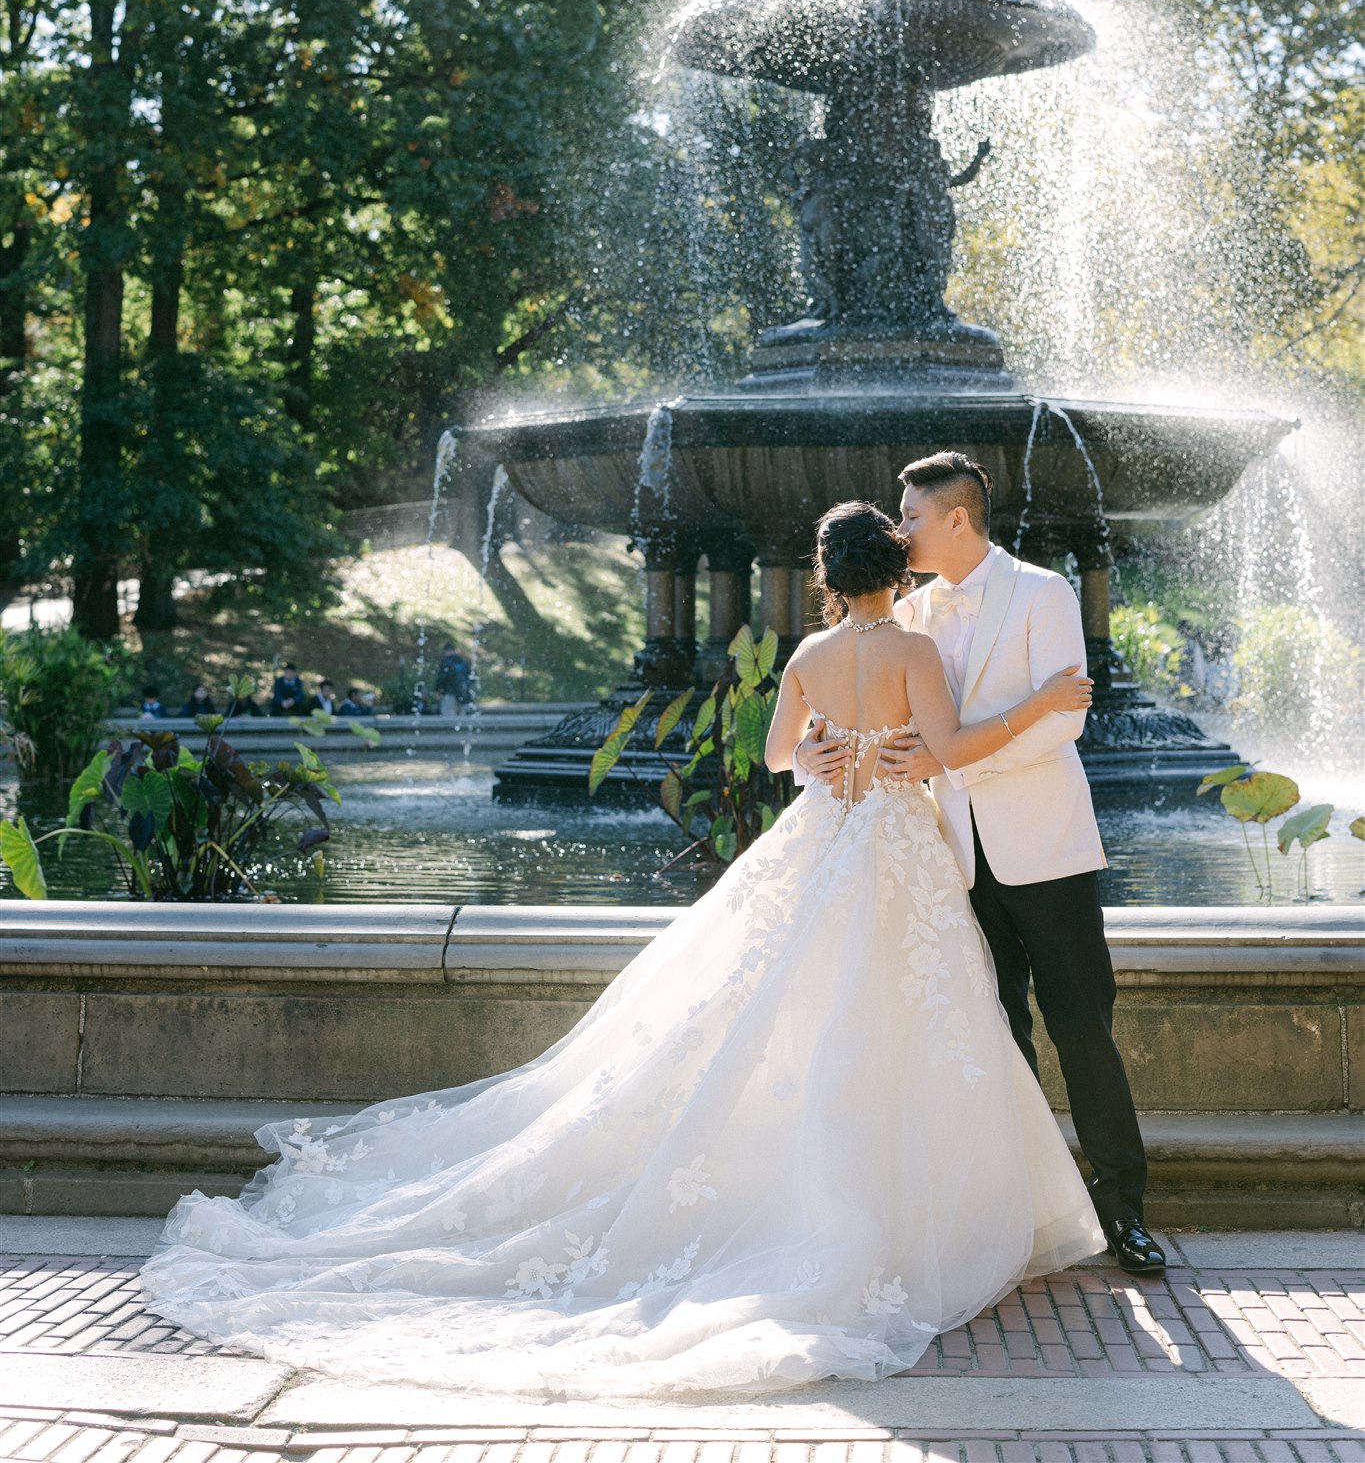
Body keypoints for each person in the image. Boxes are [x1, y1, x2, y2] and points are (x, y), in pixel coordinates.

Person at [141, 500, 1100, 1400]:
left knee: (790, 1003)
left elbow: (775, 757)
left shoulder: (808, 650)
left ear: (827, 576)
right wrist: (1035, 705)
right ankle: (914, 1213)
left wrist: (821, 753)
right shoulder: (917, 649)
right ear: (895, 567)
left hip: (823, 834)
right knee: (898, 1014)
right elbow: (944, 748)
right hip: (892, 842)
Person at [797, 452, 1164, 1277]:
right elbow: (850, 712)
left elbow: (1060, 725)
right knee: (995, 1034)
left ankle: (1125, 1211)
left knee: (1081, 1026)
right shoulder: (907, 613)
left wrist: (946, 762)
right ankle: (1026, 1220)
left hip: (1046, 847)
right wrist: (814, 753)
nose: (901, 530)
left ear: (955, 518)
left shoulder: (1044, 592)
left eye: (912, 516)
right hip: (947, 857)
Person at [435, 641, 474, 716]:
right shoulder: (463, 661)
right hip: (463, 694)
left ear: (445, 651)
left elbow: (441, 677)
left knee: (447, 718)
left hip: (449, 693)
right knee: (462, 719)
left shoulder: (446, 661)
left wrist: (437, 690)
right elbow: (470, 677)